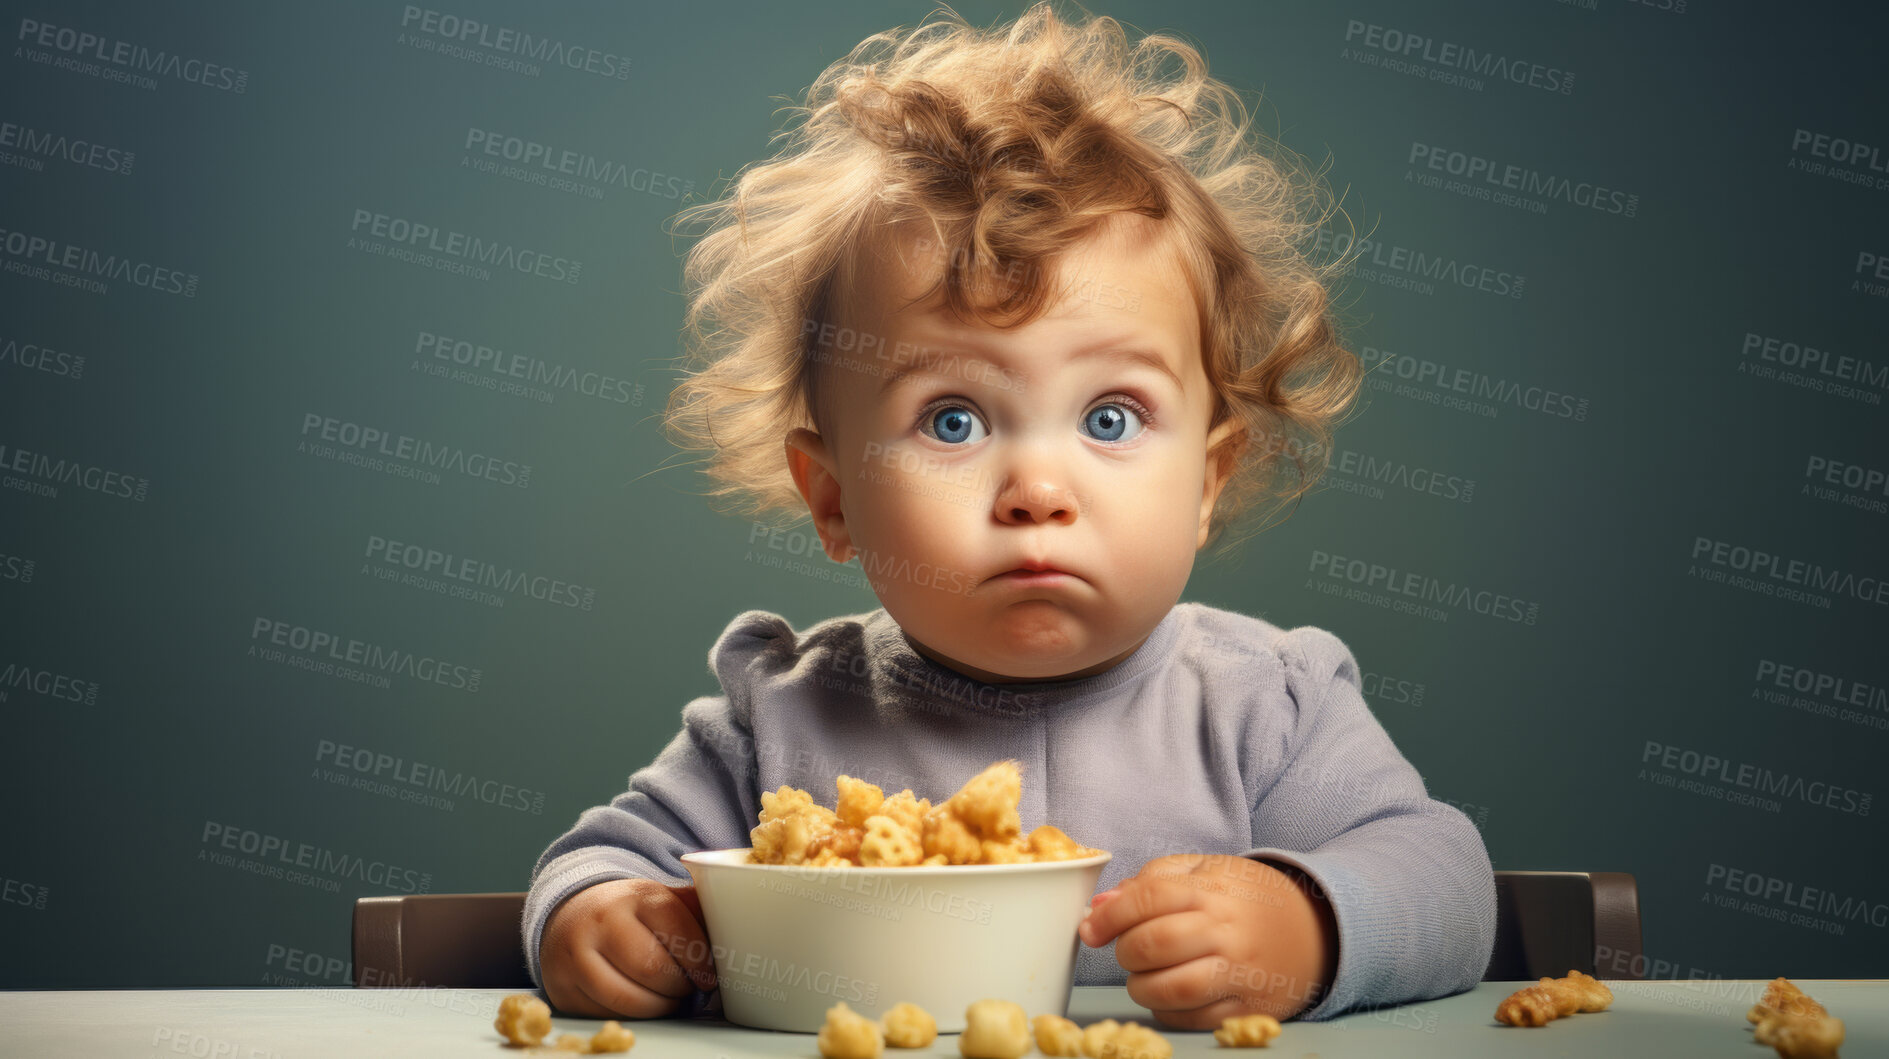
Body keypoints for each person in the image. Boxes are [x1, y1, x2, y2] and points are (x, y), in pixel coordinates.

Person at [525, 1, 1494, 1028]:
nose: (1037, 488)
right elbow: (602, 860)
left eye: (1111, 417)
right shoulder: (782, 724)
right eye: (951, 421)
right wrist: (603, 921)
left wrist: (1308, 925)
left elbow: (1442, 877)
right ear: (833, 498)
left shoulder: (1265, 712)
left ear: (1206, 482)